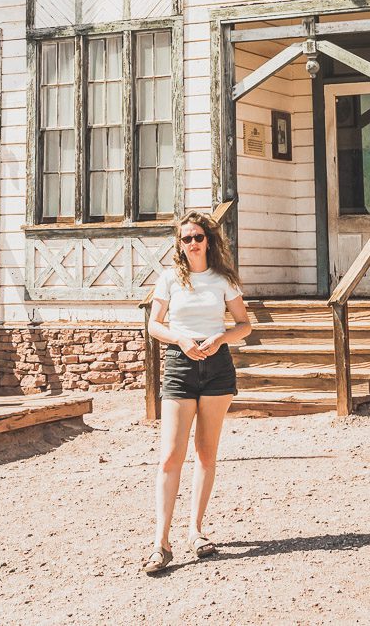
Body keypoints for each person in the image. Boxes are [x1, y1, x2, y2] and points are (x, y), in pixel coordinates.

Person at [142, 209, 251, 574]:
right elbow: (155, 325)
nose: (191, 244)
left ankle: (196, 531)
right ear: (180, 243)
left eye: (197, 237)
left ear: (209, 240)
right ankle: (161, 541)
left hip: (217, 368)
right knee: (171, 455)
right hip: (180, 364)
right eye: (185, 238)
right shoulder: (170, 278)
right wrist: (181, 339)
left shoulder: (223, 279)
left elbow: (244, 325)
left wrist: (222, 337)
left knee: (206, 453)